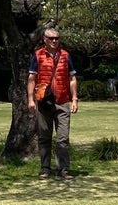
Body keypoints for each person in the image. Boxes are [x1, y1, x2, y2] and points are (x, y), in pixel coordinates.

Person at [26, 26, 79, 181]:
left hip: (63, 101)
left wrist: (74, 99)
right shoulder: (38, 56)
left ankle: (63, 169)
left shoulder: (66, 55)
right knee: (44, 136)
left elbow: (72, 79)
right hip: (44, 101)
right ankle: (45, 168)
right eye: (51, 38)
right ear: (45, 40)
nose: (55, 41)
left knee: (63, 137)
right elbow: (31, 78)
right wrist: (30, 99)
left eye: (57, 38)